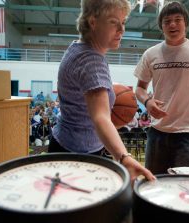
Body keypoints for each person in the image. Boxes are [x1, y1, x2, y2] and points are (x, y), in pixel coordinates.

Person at [48, 0, 154, 183]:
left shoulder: (78, 49)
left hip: (65, 143)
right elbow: (100, 117)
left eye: (123, 22)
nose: (122, 29)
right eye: (114, 22)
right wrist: (124, 158)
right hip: (78, 155)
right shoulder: (92, 61)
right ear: (93, 21)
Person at [134, 1, 189, 174]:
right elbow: (139, 88)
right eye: (167, 21)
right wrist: (147, 101)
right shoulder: (150, 54)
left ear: (186, 23)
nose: (172, 24)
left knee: (187, 188)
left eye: (177, 19)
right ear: (161, 26)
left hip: (187, 134)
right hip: (156, 132)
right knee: (154, 185)